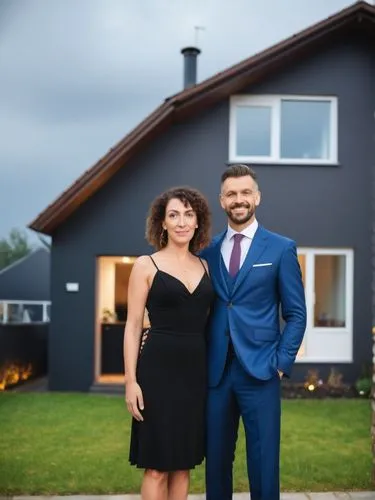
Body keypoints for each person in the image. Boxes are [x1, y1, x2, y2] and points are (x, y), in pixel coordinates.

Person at [200, 164, 307, 500]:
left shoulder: (280, 248)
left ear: (257, 197)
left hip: (261, 371)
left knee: (263, 463)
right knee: (216, 463)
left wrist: (281, 361)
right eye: (231, 194)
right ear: (222, 201)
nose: (239, 199)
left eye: (245, 192)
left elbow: (296, 313)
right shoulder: (207, 252)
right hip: (216, 373)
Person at [123, 186, 214, 500]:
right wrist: (131, 382)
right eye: (173, 215)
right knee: (157, 466)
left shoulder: (206, 267)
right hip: (156, 374)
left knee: (183, 464)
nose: (181, 222)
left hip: (195, 374)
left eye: (189, 215)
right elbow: (133, 326)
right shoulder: (146, 265)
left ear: (198, 221)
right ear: (161, 222)